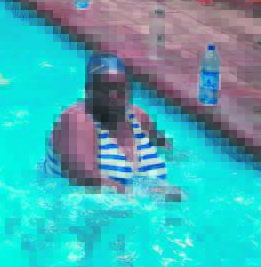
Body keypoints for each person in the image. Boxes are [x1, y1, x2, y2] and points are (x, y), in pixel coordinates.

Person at [45, 54, 182, 200]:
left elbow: (171, 152)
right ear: (88, 91)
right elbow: (86, 181)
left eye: (121, 90)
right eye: (105, 90)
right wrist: (145, 195)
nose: (113, 96)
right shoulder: (76, 120)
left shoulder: (138, 117)